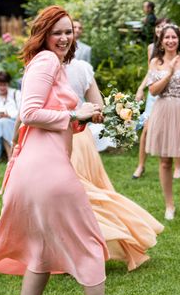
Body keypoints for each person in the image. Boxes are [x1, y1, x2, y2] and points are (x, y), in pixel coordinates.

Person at [0, 5, 107, 295]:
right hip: (46, 169)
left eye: (68, 32)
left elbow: (52, 118)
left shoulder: (56, 65)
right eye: (57, 32)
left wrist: (82, 120)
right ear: (44, 34)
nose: (64, 38)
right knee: (90, 245)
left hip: (40, 167)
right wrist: (73, 114)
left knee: (41, 253)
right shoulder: (46, 60)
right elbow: (30, 113)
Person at [66, 55, 164, 270]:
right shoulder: (81, 67)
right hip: (82, 140)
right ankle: (76, 251)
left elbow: (97, 108)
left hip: (69, 138)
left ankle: (112, 235)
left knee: (79, 195)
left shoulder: (47, 67)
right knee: (81, 196)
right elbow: (99, 107)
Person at [145, 24, 180, 221]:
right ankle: (169, 205)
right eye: (166, 37)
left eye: (174, 37)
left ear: (179, 40)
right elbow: (153, 91)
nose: (170, 41)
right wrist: (170, 71)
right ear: (161, 40)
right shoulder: (156, 62)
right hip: (164, 109)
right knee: (165, 160)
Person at [132, 17, 171, 179]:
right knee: (147, 129)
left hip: (171, 92)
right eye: (158, 27)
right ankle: (141, 165)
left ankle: (176, 166)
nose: (160, 29)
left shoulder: (177, 46)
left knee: (171, 128)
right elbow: (151, 72)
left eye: (164, 26)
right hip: (154, 92)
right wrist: (141, 88)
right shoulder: (151, 48)